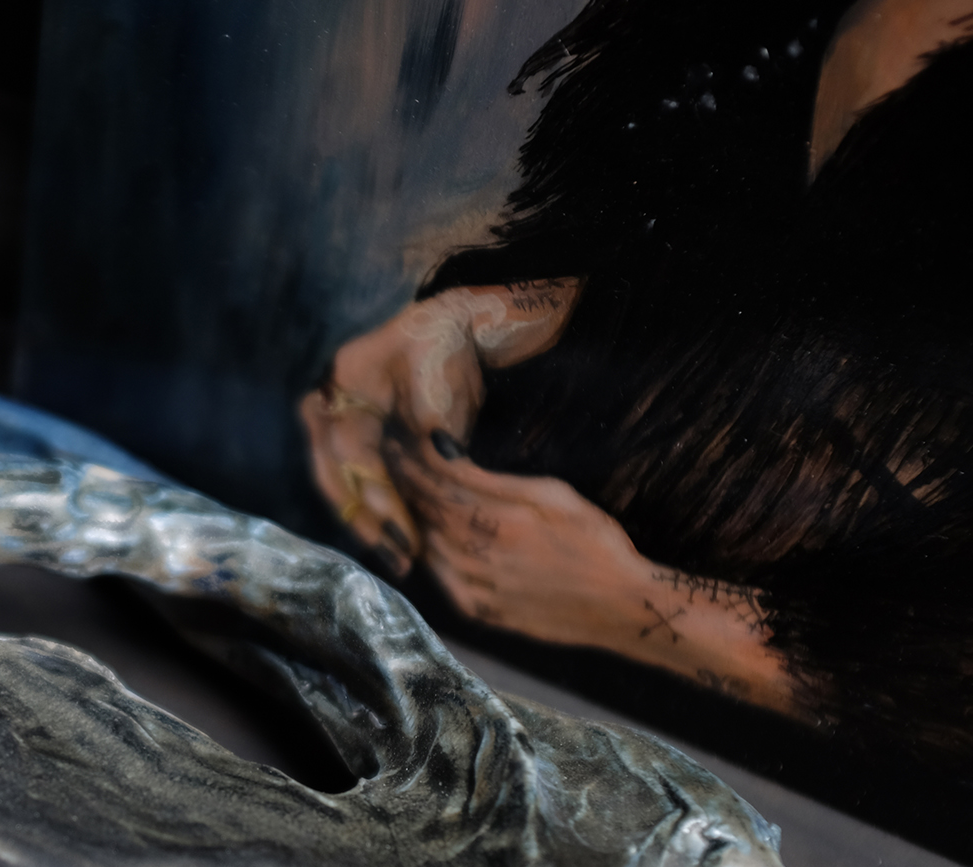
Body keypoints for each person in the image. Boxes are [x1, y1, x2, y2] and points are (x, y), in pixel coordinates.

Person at [303, 0, 973, 764]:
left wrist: (636, 606)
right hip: (456, 681)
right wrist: (474, 319)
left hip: (769, 793)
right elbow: (745, 288)